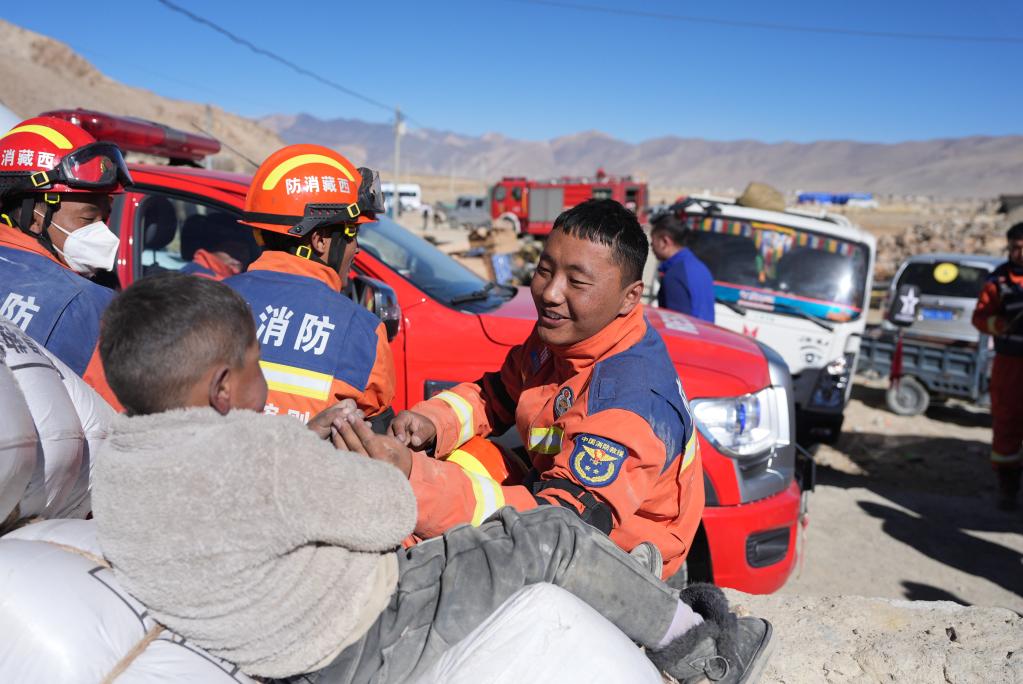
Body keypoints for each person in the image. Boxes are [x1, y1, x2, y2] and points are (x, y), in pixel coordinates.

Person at [91, 272, 773, 683]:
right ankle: (706, 654)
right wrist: (362, 458)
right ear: (220, 388)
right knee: (548, 541)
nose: (550, 291)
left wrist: (391, 432)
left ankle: (624, 579)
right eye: (253, 365)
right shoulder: (265, 453)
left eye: (570, 279)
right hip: (358, 639)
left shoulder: (117, 467)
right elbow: (388, 513)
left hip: (285, 636)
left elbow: (490, 396)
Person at [388, 199, 703, 579]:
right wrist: (432, 421)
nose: (551, 293)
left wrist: (417, 483)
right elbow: (496, 395)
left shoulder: (629, 402)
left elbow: (560, 523)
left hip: (609, 546)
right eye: (544, 271)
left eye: (577, 282)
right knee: (465, 459)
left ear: (630, 297)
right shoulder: (565, 336)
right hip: (551, 491)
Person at [224, 144, 395, 425]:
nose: (356, 249)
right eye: (352, 234)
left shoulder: (202, 304)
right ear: (320, 240)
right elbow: (376, 444)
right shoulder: (363, 333)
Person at [0, 116, 131, 402]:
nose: (104, 233)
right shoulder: (90, 306)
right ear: (34, 215)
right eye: (88, 218)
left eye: (105, 218)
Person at [972, 222, 1023, 510]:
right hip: (1010, 364)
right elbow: (979, 317)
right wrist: (998, 324)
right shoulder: (998, 281)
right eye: (1015, 248)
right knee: (1007, 424)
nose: (1019, 254)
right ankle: (1008, 487)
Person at [649, 212, 715, 323]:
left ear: (665, 241)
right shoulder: (700, 267)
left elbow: (677, 328)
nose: (651, 246)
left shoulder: (674, 276)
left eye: (653, 241)